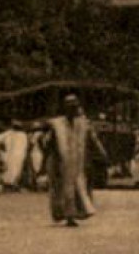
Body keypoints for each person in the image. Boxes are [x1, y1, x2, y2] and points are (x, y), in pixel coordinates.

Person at [42, 94, 104, 226]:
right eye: (69, 106)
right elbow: (49, 143)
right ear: (65, 108)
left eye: (75, 106)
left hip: (78, 162)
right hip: (60, 162)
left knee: (78, 188)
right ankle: (66, 215)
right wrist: (45, 162)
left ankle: (73, 214)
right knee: (62, 189)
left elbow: (92, 140)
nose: (73, 109)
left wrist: (101, 154)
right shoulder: (56, 124)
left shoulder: (84, 123)